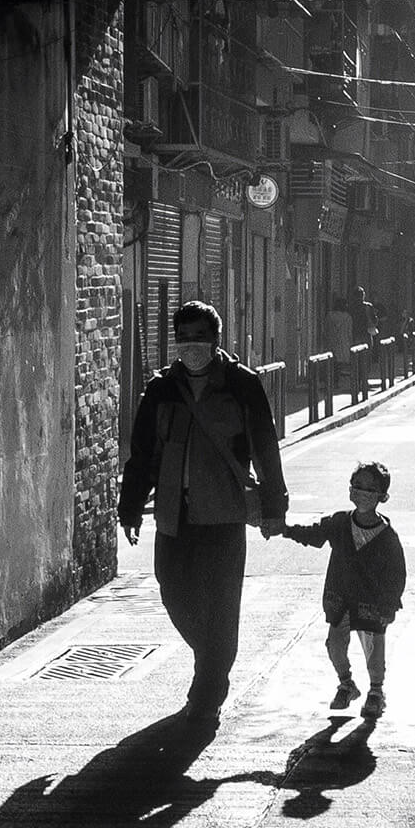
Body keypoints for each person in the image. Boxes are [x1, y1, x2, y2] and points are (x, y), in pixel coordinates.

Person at [118, 298, 288, 734]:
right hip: (176, 515)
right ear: (176, 342)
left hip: (224, 514)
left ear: (215, 341)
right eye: (185, 338)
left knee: (221, 605)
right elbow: (142, 455)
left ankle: (208, 692)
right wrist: (131, 505)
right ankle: (210, 661)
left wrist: (274, 506)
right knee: (174, 593)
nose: (191, 346)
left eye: (200, 338)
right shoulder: (160, 390)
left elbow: (265, 449)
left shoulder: (242, 386)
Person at [278, 460, 407, 724]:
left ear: (383, 496)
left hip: (372, 605)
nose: (362, 492)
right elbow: (313, 534)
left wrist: (390, 606)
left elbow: (396, 575)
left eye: (370, 489)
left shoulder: (387, 536)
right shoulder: (339, 523)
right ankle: (346, 684)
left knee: (374, 651)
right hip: (340, 600)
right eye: (357, 486)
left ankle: (376, 692)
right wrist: (285, 530)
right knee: (335, 646)